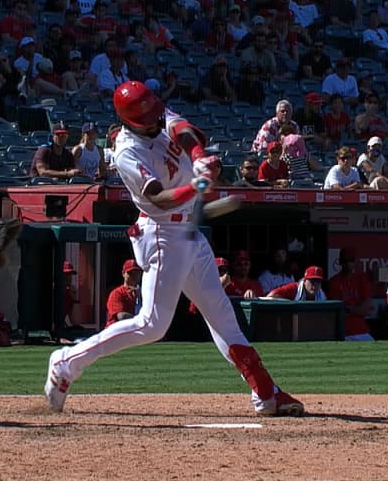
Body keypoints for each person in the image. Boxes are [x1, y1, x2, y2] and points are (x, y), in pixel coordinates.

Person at [44, 80, 304, 416]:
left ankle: (266, 392)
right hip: (163, 232)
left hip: (188, 230)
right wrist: (196, 184)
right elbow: (158, 198)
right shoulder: (126, 152)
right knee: (152, 324)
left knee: (221, 312)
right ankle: (65, 362)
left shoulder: (155, 114)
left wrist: (198, 157)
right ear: (131, 120)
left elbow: (180, 127)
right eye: (148, 117)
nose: (155, 118)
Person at [325, 248, 375, 341]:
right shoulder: (334, 281)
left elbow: (366, 309)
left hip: (361, 331)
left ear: (355, 262)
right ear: (340, 262)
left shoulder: (361, 280)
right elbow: (336, 312)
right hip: (343, 333)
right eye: (345, 261)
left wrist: (349, 308)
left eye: (351, 261)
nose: (348, 264)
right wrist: (356, 309)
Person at [105, 259, 142, 327]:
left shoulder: (144, 293)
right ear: (123, 274)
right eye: (130, 273)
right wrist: (140, 320)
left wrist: (140, 298)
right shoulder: (117, 293)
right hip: (116, 331)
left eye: (136, 273)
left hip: (135, 331)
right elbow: (121, 316)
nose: (134, 276)